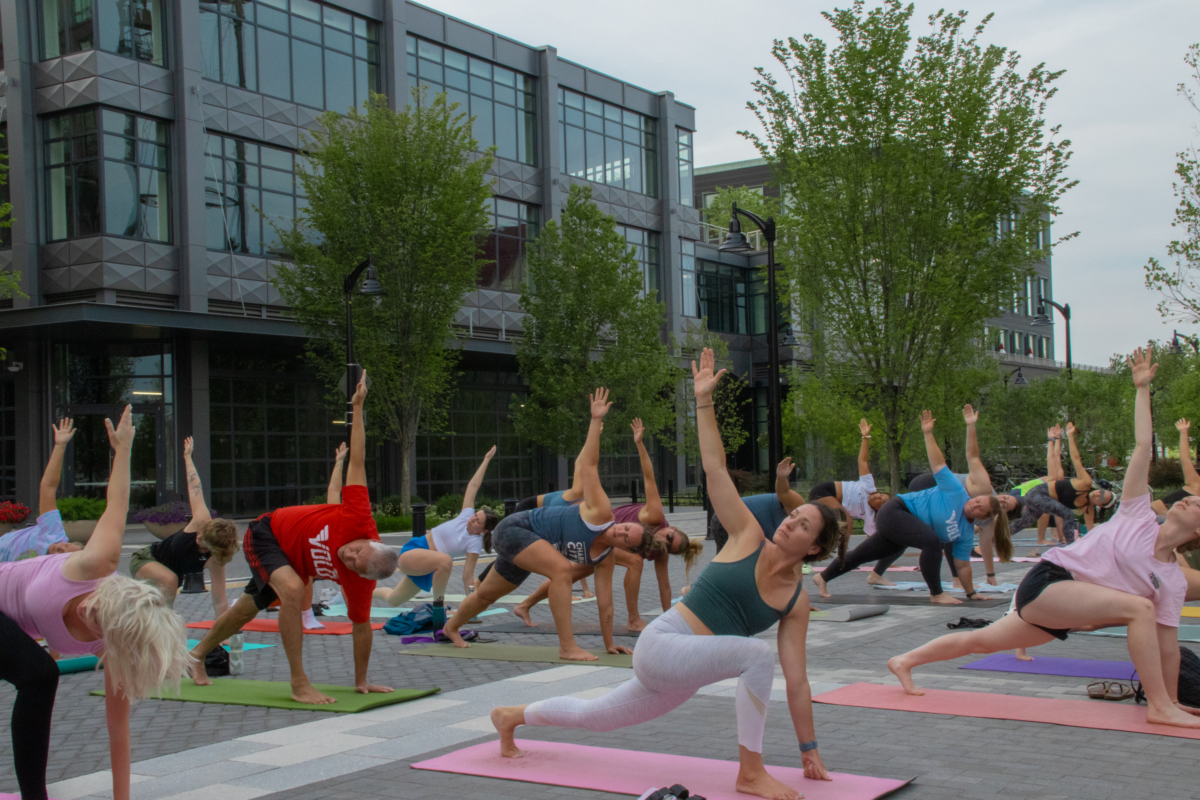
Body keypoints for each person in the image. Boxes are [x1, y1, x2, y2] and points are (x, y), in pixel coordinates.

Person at [489, 349, 842, 800]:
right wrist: (703, 402)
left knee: (595, 716)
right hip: (664, 644)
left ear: (814, 547)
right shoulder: (749, 536)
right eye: (794, 515)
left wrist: (809, 748)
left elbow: (798, 681)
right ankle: (750, 772)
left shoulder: (797, 603)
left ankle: (510, 716)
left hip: (683, 673)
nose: (790, 520)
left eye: (803, 524)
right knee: (756, 656)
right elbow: (715, 469)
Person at [888, 346, 1200, 730]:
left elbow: (1168, 648)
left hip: (1064, 610)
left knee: (981, 641)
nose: (1189, 501)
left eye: (1198, 505)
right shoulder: (1137, 512)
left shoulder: (1171, 579)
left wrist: (1174, 700)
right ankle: (1157, 707)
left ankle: (903, 661)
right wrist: (1141, 390)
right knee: (1140, 609)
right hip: (1052, 582)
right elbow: (1141, 448)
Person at [0, 405, 191, 800]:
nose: (88, 610)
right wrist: (123, 450)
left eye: (98, 622)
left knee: (37, 674)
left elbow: (118, 733)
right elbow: (117, 506)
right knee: (40, 675)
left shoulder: (115, 652)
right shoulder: (95, 562)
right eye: (99, 603)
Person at [186, 370, 399, 705]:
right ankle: (299, 683)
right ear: (367, 539)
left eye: (356, 563)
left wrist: (362, 680)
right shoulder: (359, 516)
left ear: (363, 576)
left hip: (290, 560)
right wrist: (357, 408)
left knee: (245, 611)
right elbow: (358, 459)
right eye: (357, 550)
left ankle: (195, 656)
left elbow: (361, 628)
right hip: (267, 533)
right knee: (294, 590)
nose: (348, 556)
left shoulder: (360, 585)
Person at [442, 389, 665, 661]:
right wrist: (595, 421)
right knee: (562, 570)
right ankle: (567, 646)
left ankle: (451, 627)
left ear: (625, 547)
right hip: (515, 528)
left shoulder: (604, 558)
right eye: (626, 527)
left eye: (626, 536)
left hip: (525, 546)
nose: (621, 529)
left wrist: (609, 644)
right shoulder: (600, 512)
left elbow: (606, 604)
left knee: (486, 595)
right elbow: (590, 466)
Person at [511, 417, 705, 633]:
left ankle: (524, 605)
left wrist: (670, 623)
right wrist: (640, 443)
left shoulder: (660, 552)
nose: (663, 542)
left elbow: (665, 586)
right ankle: (633, 619)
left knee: (570, 573)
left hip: (600, 544)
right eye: (668, 537)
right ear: (673, 528)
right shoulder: (655, 516)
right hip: (590, 528)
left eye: (668, 546)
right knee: (635, 562)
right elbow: (649, 477)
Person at [812, 407, 1009, 604]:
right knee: (932, 542)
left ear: (982, 517)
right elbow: (938, 463)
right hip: (896, 511)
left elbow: (963, 565)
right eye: (976, 501)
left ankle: (822, 577)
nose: (974, 505)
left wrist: (971, 593)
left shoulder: (965, 533)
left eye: (979, 508)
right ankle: (936, 593)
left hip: (904, 524)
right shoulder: (956, 491)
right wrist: (928, 433)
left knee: (862, 554)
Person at [374, 446, 500, 628]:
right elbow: (473, 486)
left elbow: (468, 576)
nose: (472, 519)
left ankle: (363, 594)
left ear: (484, 531)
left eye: (477, 521)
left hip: (429, 568)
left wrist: (472, 604)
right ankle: (439, 607)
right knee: (445, 560)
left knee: (393, 599)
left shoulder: (474, 543)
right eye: (475, 515)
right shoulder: (465, 515)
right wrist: (487, 459)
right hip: (415, 551)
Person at [129, 437, 238, 615]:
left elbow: (220, 601)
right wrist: (188, 457)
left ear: (215, 548)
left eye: (203, 542)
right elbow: (195, 486)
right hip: (146, 559)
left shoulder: (217, 560)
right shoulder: (201, 521)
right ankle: (166, 629)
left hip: (166, 579)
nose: (198, 538)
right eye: (200, 534)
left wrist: (223, 639)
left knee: (151, 605)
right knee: (170, 580)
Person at [806, 419, 891, 584]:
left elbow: (872, 541)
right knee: (847, 519)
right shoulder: (868, 486)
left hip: (830, 506)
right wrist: (865, 438)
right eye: (881, 494)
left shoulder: (871, 519)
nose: (877, 496)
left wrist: (871, 555)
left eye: (881, 500)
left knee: (821, 529)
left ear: (880, 509)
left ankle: (813, 551)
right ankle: (842, 557)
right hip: (823, 492)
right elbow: (863, 461)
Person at [0, 418, 83, 563]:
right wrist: (60, 445)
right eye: (67, 545)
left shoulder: (45, 573)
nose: (61, 548)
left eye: (63, 556)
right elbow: (48, 486)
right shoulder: (53, 532)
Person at [710, 457, 807, 553]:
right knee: (738, 560)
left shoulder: (804, 525)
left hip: (728, 516)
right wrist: (781, 478)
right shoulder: (799, 507)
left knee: (730, 559)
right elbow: (783, 492)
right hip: (729, 517)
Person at [1154, 419, 1200, 515]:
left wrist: (1183, 432)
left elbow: (1185, 459)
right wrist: (1183, 432)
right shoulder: (1196, 484)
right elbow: (1185, 459)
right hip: (1152, 514)